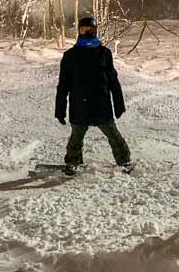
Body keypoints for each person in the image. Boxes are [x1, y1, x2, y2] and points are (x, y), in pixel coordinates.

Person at [54, 15, 132, 174]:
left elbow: (113, 81)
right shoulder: (70, 56)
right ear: (79, 31)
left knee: (113, 135)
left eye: (91, 29)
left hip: (101, 104)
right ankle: (72, 163)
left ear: (96, 31)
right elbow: (63, 86)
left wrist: (119, 105)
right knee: (76, 138)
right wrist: (60, 110)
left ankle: (125, 161)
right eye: (84, 29)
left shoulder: (104, 53)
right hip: (79, 105)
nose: (88, 32)